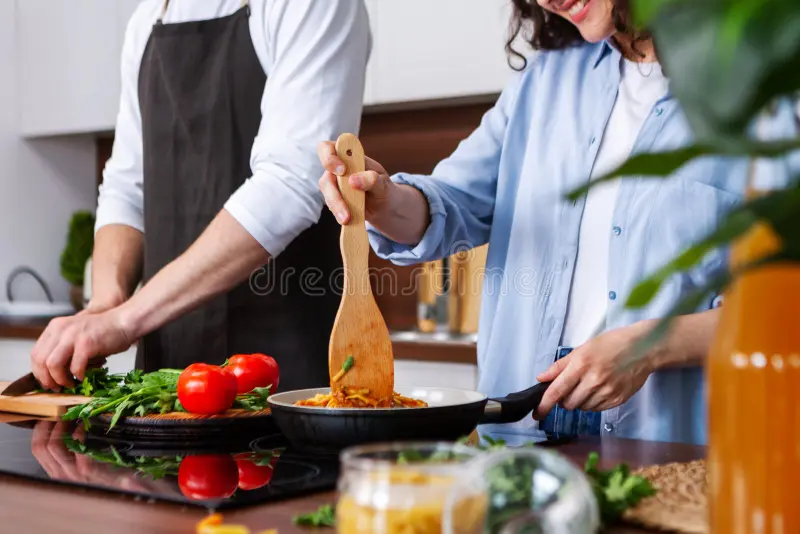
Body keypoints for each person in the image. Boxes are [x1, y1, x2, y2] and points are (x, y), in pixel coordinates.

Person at [317, 0, 799, 444]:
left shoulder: (772, 87)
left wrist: (651, 347)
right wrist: (381, 200)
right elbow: (450, 203)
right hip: (521, 424)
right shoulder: (545, 80)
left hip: (676, 439)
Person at [30, 0, 370, 392]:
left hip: (286, 368)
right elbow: (126, 187)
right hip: (168, 377)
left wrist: (126, 320)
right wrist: (105, 304)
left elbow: (289, 184)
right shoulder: (147, 20)